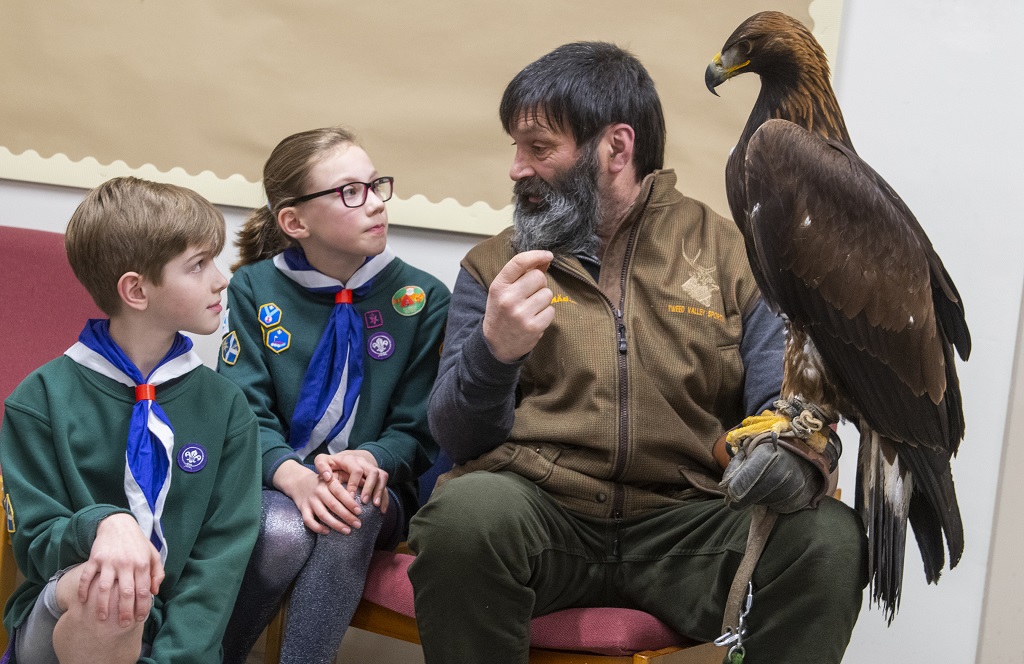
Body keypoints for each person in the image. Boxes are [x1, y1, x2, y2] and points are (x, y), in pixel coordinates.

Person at [407, 42, 868, 664]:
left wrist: (794, 453)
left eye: (539, 149)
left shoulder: (735, 259)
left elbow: (783, 406)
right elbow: (457, 438)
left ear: (616, 148)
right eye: (516, 149)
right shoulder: (495, 267)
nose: (517, 168)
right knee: (463, 517)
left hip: (689, 524)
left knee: (830, 539)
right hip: (542, 513)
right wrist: (495, 352)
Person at [0, 177, 262, 664]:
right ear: (137, 290)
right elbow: (35, 544)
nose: (220, 278)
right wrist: (105, 526)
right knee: (113, 589)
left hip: (179, 642)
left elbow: (219, 562)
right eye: (198, 265)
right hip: (68, 616)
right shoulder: (39, 400)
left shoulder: (227, 409)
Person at [218, 126, 450, 664]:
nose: (374, 204)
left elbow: (419, 425)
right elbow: (242, 410)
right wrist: (293, 475)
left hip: (377, 489)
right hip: (276, 479)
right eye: (350, 192)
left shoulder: (422, 297)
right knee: (280, 531)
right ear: (295, 222)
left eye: (375, 185)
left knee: (353, 510)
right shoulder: (254, 289)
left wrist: (372, 457)